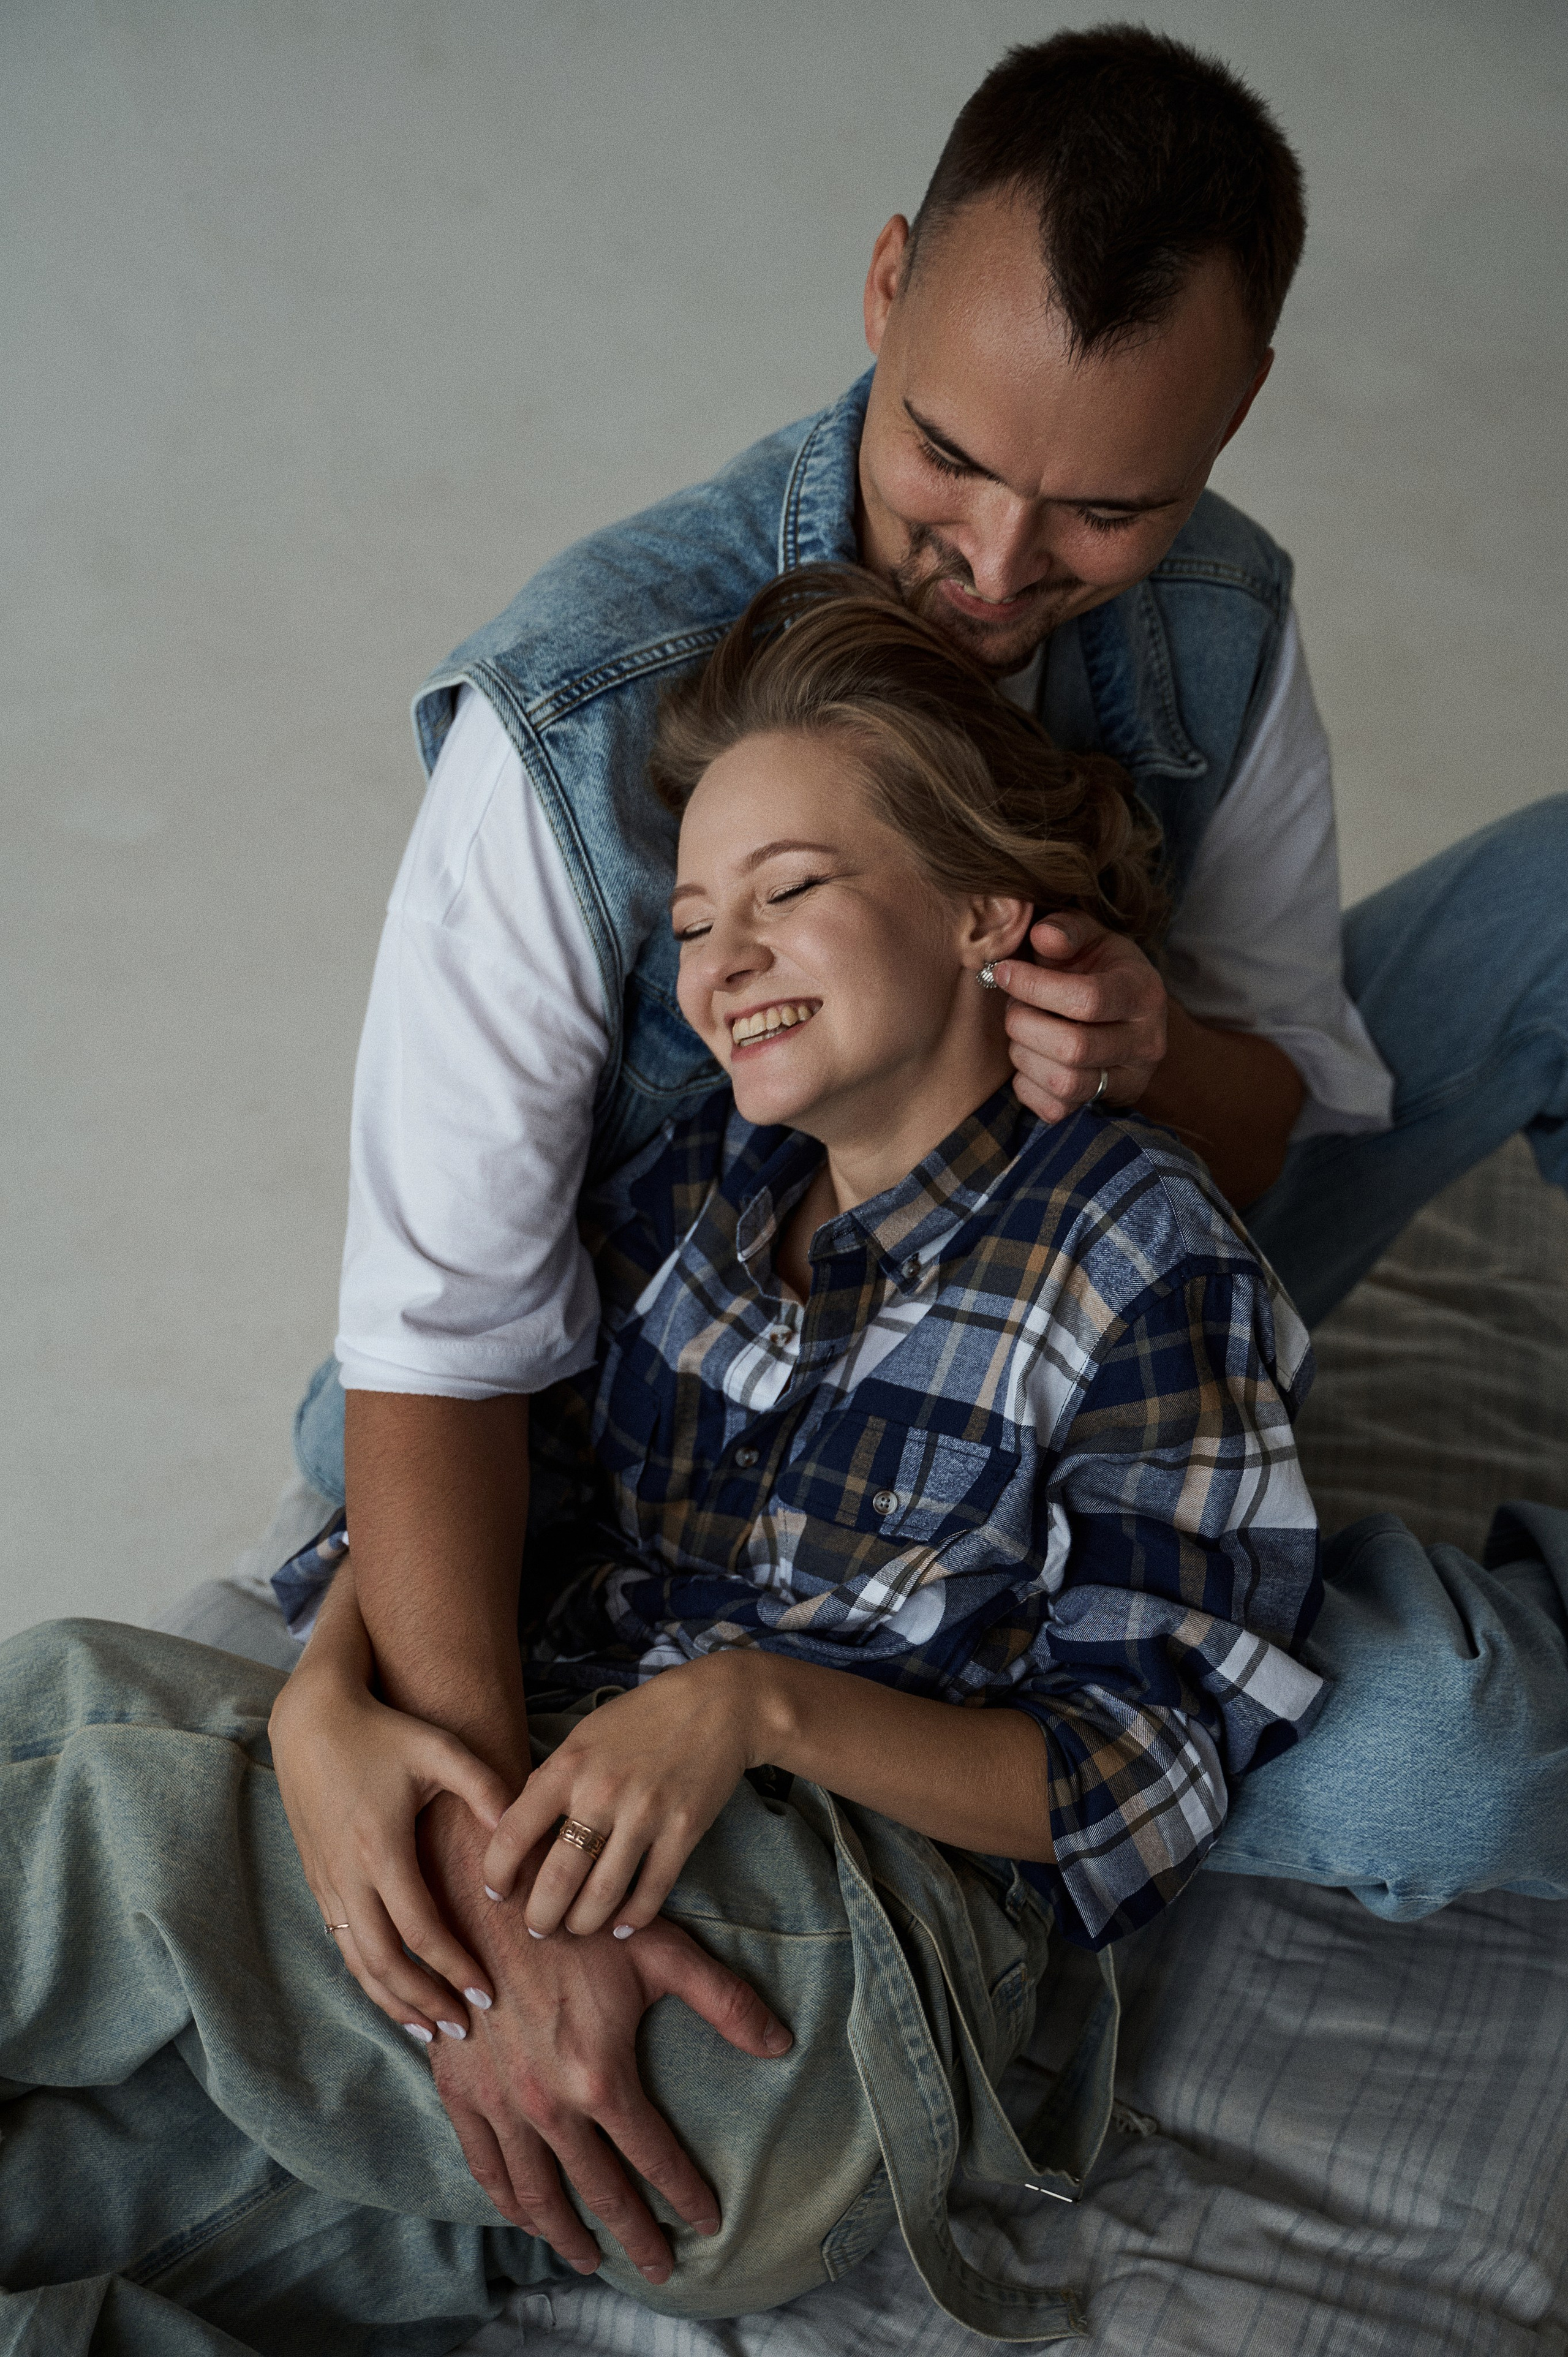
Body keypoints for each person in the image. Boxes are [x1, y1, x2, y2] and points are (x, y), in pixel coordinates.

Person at [275, 6, 1568, 2315]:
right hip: (782, 1473)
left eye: (1101, 510)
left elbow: (1282, 1118)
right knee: (1431, 1769)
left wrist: (1159, 1050)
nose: (994, 564)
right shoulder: (570, 724)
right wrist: (501, 1904)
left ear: (1238, 411)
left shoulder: (1221, 621)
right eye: (948, 462)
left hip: (1125, 1251)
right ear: (883, 288)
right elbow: (445, 1342)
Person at [2, 570, 1329, 2352]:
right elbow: (494, 1508)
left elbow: (1144, 1777)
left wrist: (751, 1709)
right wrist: (325, 1696)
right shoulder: (700, 1192)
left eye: (791, 893)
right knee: (94, 2205)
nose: (725, 966)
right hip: (583, 2017)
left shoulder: (1138, 1250)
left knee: (80, 1749)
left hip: (815, 2009)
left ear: (980, 916)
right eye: (696, 923)